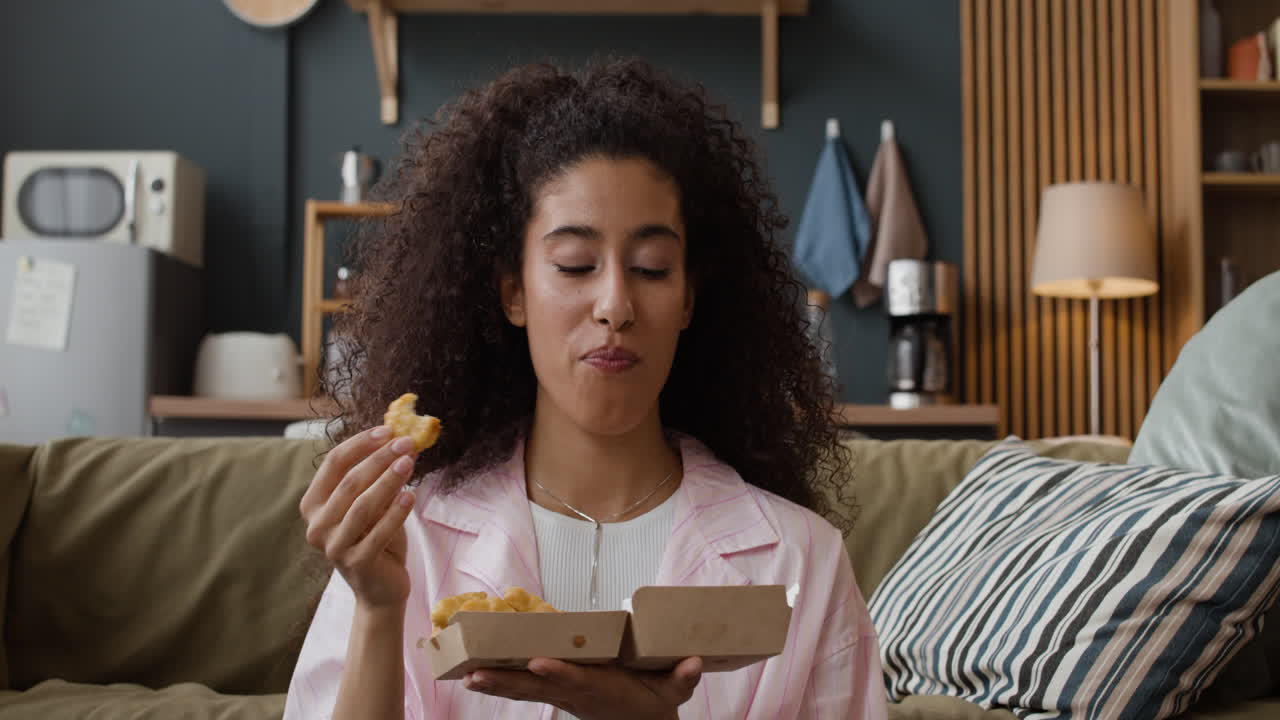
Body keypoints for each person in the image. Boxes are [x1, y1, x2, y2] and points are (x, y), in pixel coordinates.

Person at [284, 58, 887, 720]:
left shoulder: (800, 560)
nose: (615, 305)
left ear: (689, 298)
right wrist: (377, 609)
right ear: (513, 292)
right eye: (574, 265)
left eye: (651, 268)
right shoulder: (410, 538)